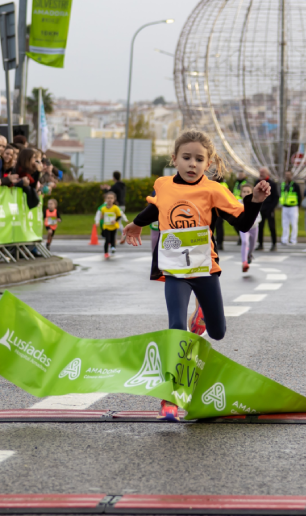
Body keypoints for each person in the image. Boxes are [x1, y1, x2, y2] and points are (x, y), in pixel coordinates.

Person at [121, 129, 267, 421]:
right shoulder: (163, 185)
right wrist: (135, 224)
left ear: (208, 163)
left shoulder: (213, 190)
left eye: (199, 159)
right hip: (175, 271)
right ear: (174, 159)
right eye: (186, 157)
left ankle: (202, 313)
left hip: (204, 270)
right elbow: (155, 208)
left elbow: (243, 222)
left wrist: (257, 200)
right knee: (176, 327)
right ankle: (170, 396)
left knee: (218, 332)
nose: (192, 164)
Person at [254, 167, 279, 251]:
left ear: (267, 173)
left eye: (263, 172)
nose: (261, 174)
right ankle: (260, 244)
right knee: (260, 227)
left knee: (271, 227)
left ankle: (274, 244)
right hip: (260, 209)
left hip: (269, 208)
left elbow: (276, 197)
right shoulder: (257, 183)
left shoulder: (272, 183)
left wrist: (271, 207)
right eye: (260, 172)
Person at [238, 182, 261, 272]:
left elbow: (258, 217)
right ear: (241, 193)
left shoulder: (255, 203)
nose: (246, 193)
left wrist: (251, 222)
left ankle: (249, 255)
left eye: (248, 192)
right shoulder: (238, 203)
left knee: (252, 246)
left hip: (254, 227)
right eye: (244, 191)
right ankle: (244, 262)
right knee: (244, 242)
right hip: (243, 228)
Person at [95, 191, 125, 259]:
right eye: (108, 198)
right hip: (106, 226)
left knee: (112, 238)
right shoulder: (103, 208)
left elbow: (119, 216)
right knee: (107, 239)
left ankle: (113, 247)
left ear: (114, 199)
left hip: (114, 226)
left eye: (111, 198)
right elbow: (101, 215)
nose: (109, 200)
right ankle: (106, 253)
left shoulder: (116, 208)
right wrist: (98, 220)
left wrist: (115, 220)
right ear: (105, 199)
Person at [279, 169, 302, 246]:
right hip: (285, 206)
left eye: (289, 175)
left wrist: (298, 205)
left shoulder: (295, 185)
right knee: (285, 223)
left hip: (293, 207)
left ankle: (293, 239)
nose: (287, 176)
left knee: (294, 224)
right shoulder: (283, 185)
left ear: (291, 176)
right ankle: (284, 239)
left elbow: (299, 196)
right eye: (286, 175)